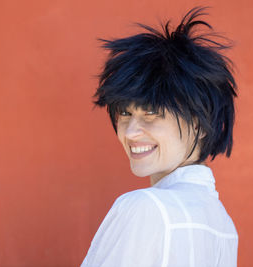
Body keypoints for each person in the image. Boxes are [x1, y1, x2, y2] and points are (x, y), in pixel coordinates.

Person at [82, 7, 238, 267]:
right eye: (124, 112)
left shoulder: (146, 207)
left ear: (199, 123)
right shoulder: (223, 224)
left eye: (152, 113)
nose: (130, 132)